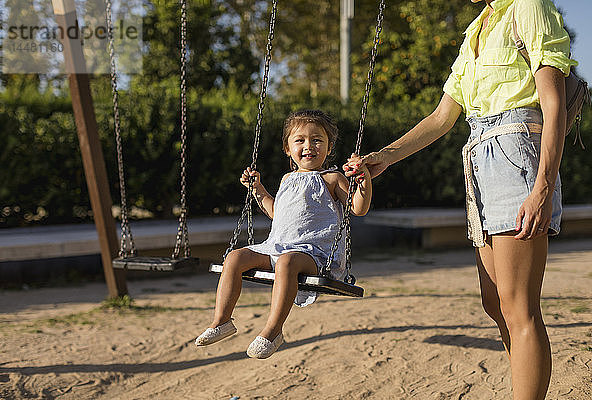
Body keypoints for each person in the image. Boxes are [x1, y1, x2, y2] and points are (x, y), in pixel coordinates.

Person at [344, 0, 576, 398]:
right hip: (479, 160)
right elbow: (441, 118)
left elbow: (553, 105)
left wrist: (542, 188)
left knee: (520, 307)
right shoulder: (476, 28)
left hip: (516, 153)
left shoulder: (529, 7)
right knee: (495, 303)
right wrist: (384, 156)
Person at [196, 110, 372, 359]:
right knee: (234, 257)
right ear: (288, 148)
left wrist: (363, 180)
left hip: (314, 255)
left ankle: (273, 330)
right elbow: (276, 212)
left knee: (288, 261)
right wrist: (257, 189)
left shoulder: (332, 178)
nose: (308, 145)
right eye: (299, 140)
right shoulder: (287, 178)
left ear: (329, 147)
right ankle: (221, 321)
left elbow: (358, 208)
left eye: (317, 140)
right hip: (276, 247)